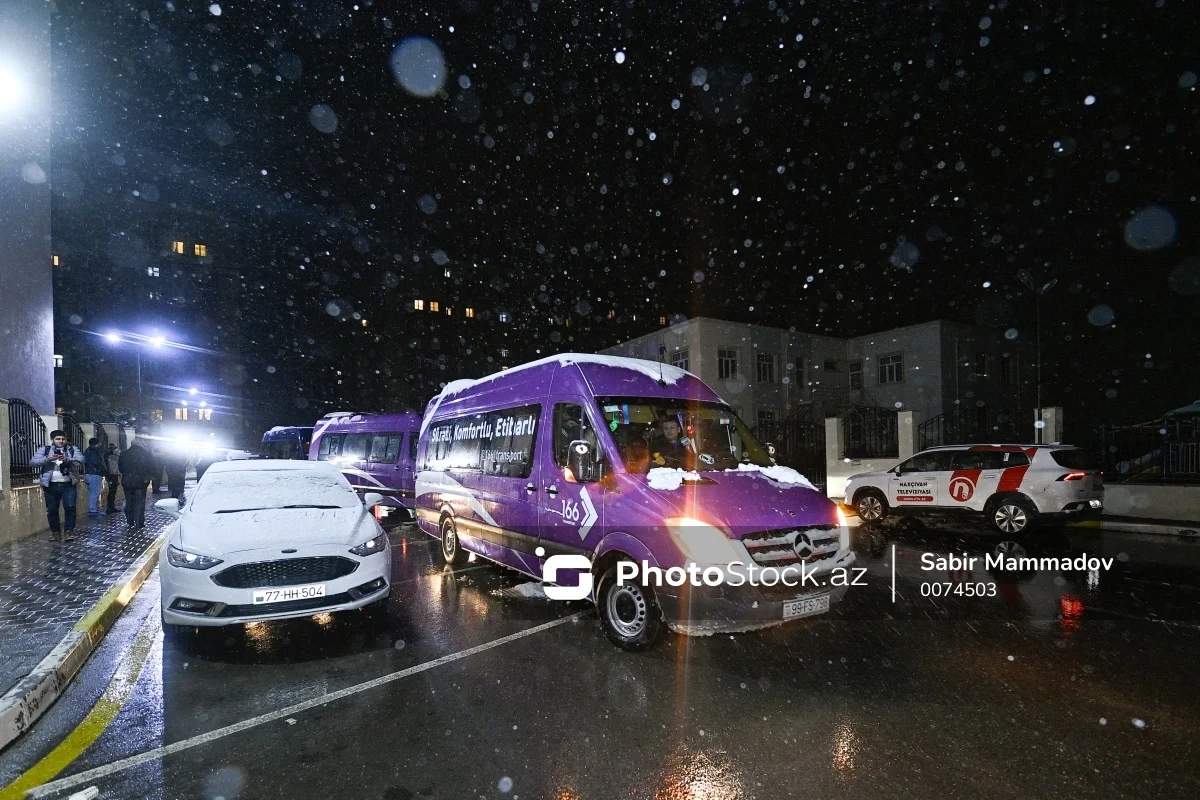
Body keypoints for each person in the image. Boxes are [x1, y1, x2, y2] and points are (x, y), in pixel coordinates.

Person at [30, 430, 85, 541]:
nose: (61, 441)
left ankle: (69, 531)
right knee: (52, 509)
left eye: (63, 439)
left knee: (70, 507)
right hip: (50, 485)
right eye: (58, 439)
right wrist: (47, 459)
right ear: (53, 440)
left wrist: (67, 459)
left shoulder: (72, 449)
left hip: (68, 484)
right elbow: (33, 462)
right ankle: (55, 532)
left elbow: (81, 460)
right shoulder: (44, 450)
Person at [118, 439, 155, 532]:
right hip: (141, 481)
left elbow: (121, 468)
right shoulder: (146, 454)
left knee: (129, 501)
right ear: (140, 444)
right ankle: (139, 522)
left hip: (127, 481)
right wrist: (148, 477)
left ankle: (130, 521)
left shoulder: (124, 454)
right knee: (140, 502)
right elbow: (152, 468)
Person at [83, 437, 106, 518]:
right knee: (94, 493)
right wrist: (102, 469)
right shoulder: (94, 452)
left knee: (92, 492)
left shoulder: (87, 451)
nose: (100, 445)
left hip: (89, 473)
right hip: (94, 474)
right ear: (96, 444)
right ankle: (92, 510)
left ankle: (93, 509)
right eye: (99, 443)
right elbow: (97, 462)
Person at [104, 443, 121, 513]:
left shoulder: (107, 455)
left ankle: (111, 506)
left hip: (111, 475)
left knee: (112, 491)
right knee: (112, 491)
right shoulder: (112, 456)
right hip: (112, 475)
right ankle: (110, 507)